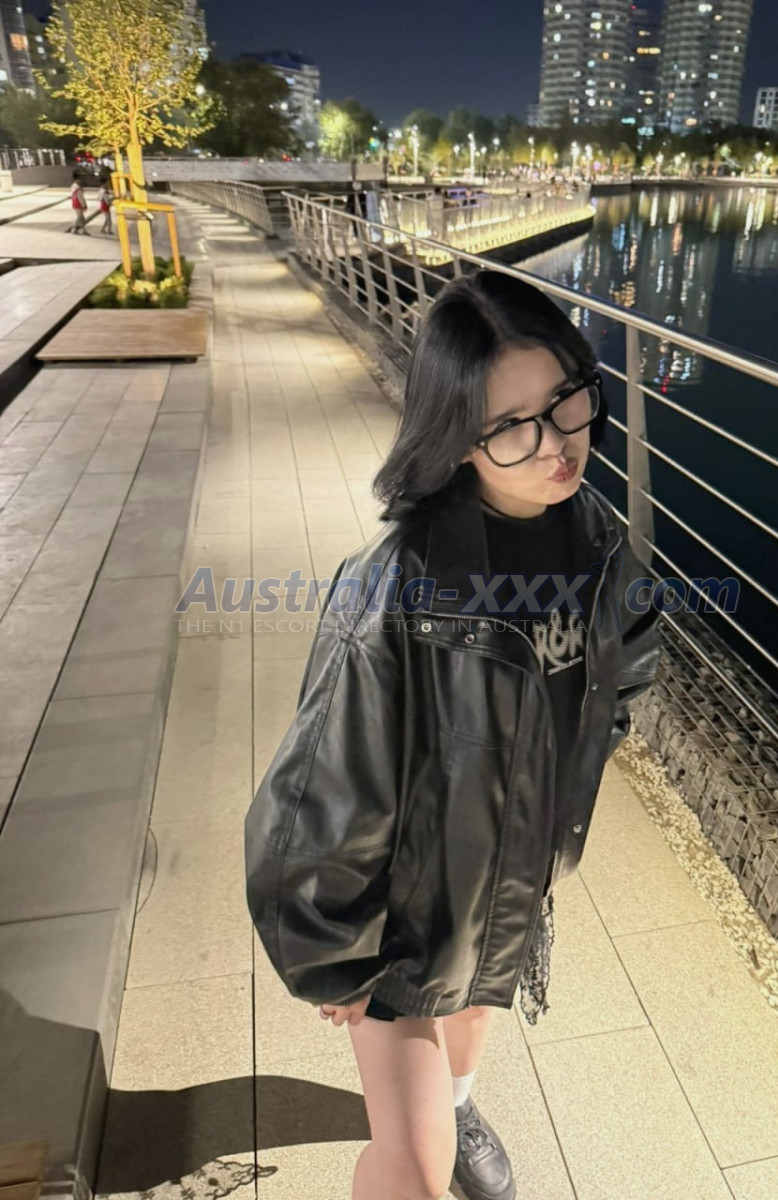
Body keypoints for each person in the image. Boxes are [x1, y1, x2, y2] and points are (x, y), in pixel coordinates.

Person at [244, 269, 661, 1200]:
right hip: (398, 914)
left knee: (474, 1012)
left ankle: (461, 1102)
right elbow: (318, 790)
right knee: (416, 1169)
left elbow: (628, 660)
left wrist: (576, 764)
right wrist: (334, 954)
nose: (556, 445)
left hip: (508, 876)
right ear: (456, 439)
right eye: (512, 426)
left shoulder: (595, 538)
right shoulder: (394, 590)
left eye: (565, 401)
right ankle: (441, 1129)